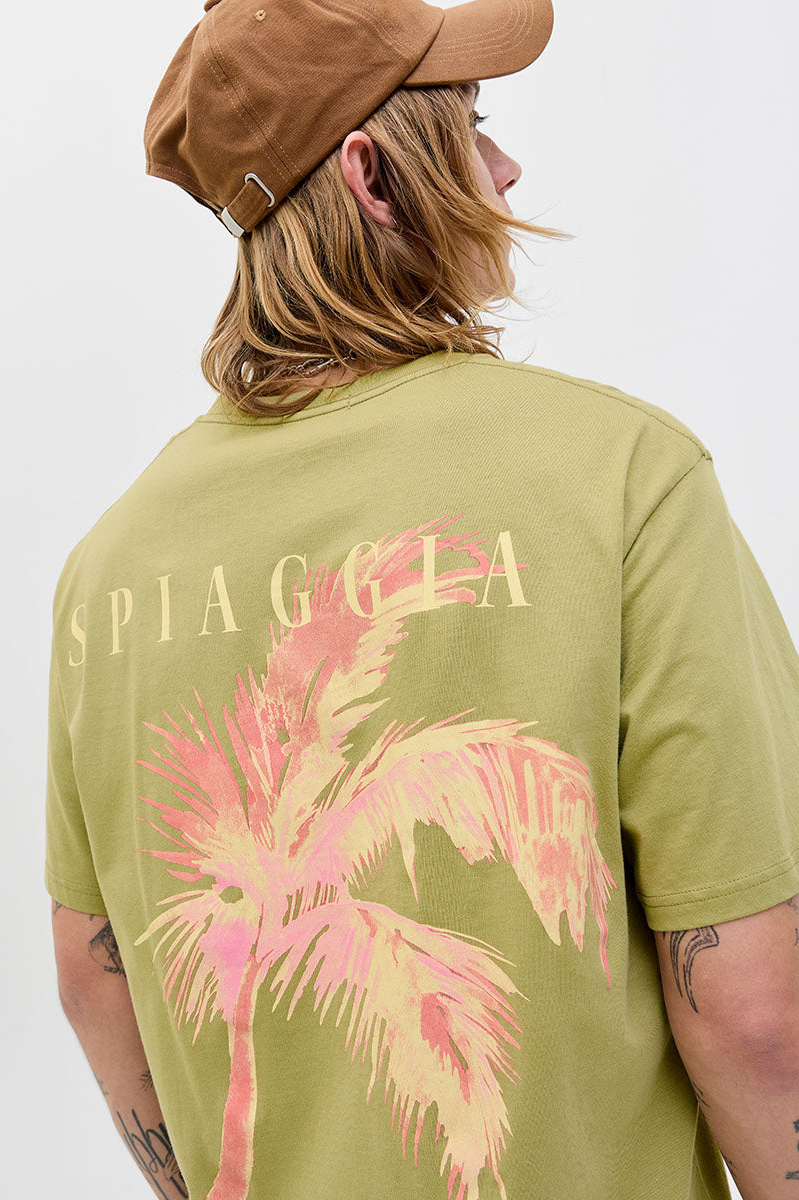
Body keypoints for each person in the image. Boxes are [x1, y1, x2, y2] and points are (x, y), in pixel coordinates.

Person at [44, 1, 799, 1198]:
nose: (505, 169)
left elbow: (94, 980)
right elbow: (756, 1016)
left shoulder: (108, 564)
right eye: (473, 126)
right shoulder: (619, 478)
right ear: (374, 177)